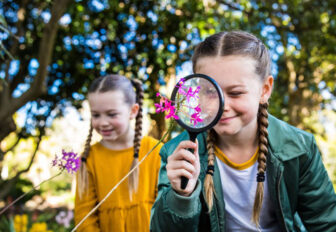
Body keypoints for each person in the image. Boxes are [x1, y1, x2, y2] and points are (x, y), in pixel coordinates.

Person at [150, 31, 336, 231]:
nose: (222, 105)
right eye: (210, 92)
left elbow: (325, 222)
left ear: (265, 90)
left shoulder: (299, 148)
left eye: (236, 93)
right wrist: (181, 196)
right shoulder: (176, 153)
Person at [74, 74, 162, 232]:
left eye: (112, 114)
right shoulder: (89, 158)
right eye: (96, 115)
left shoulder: (155, 151)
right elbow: (84, 218)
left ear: (133, 111)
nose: (103, 122)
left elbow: (167, 208)